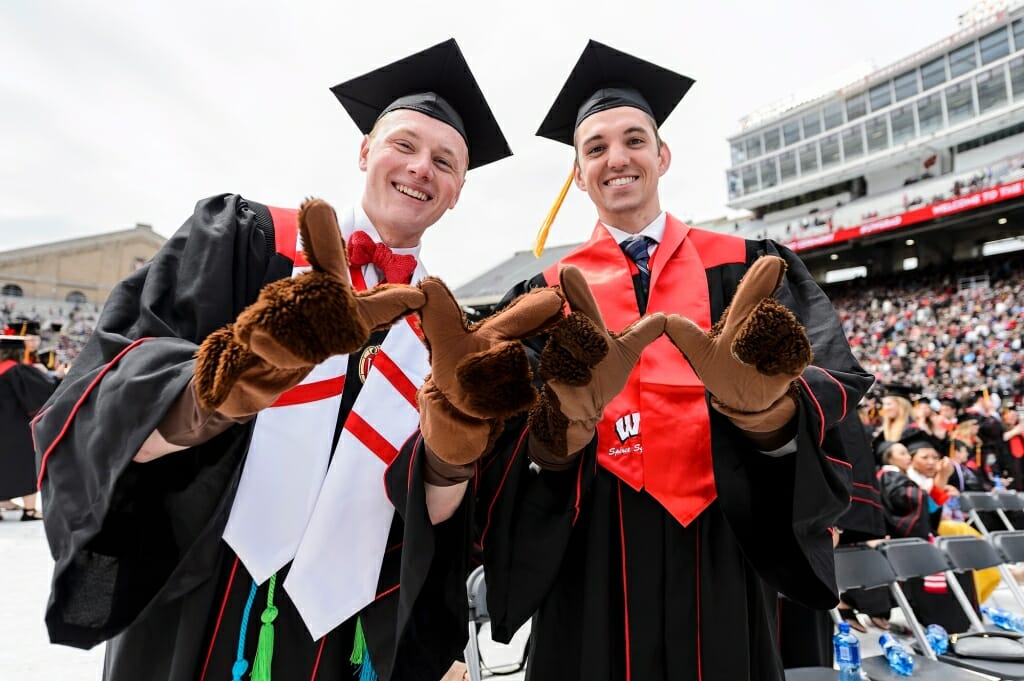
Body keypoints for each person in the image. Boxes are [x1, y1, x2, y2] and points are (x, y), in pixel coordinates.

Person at [32, 39, 530, 681]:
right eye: (403, 145)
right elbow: (116, 389)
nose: (421, 169)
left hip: (348, 632)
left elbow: (438, 520)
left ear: (458, 191)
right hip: (206, 595)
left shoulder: (448, 334)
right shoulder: (249, 240)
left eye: (445, 161)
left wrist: (453, 452)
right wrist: (222, 386)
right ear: (365, 152)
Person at [396, 40, 873, 680]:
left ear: (662, 155)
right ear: (578, 173)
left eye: (633, 140)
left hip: (725, 540)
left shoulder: (747, 265)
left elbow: (828, 379)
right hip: (590, 548)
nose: (616, 158)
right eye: (595, 148)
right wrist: (556, 441)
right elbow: (501, 443)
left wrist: (771, 419)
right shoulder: (544, 297)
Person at [0, 335, 56, 520]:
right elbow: (42, 393)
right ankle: (30, 510)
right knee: (25, 466)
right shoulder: (18, 371)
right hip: (16, 430)